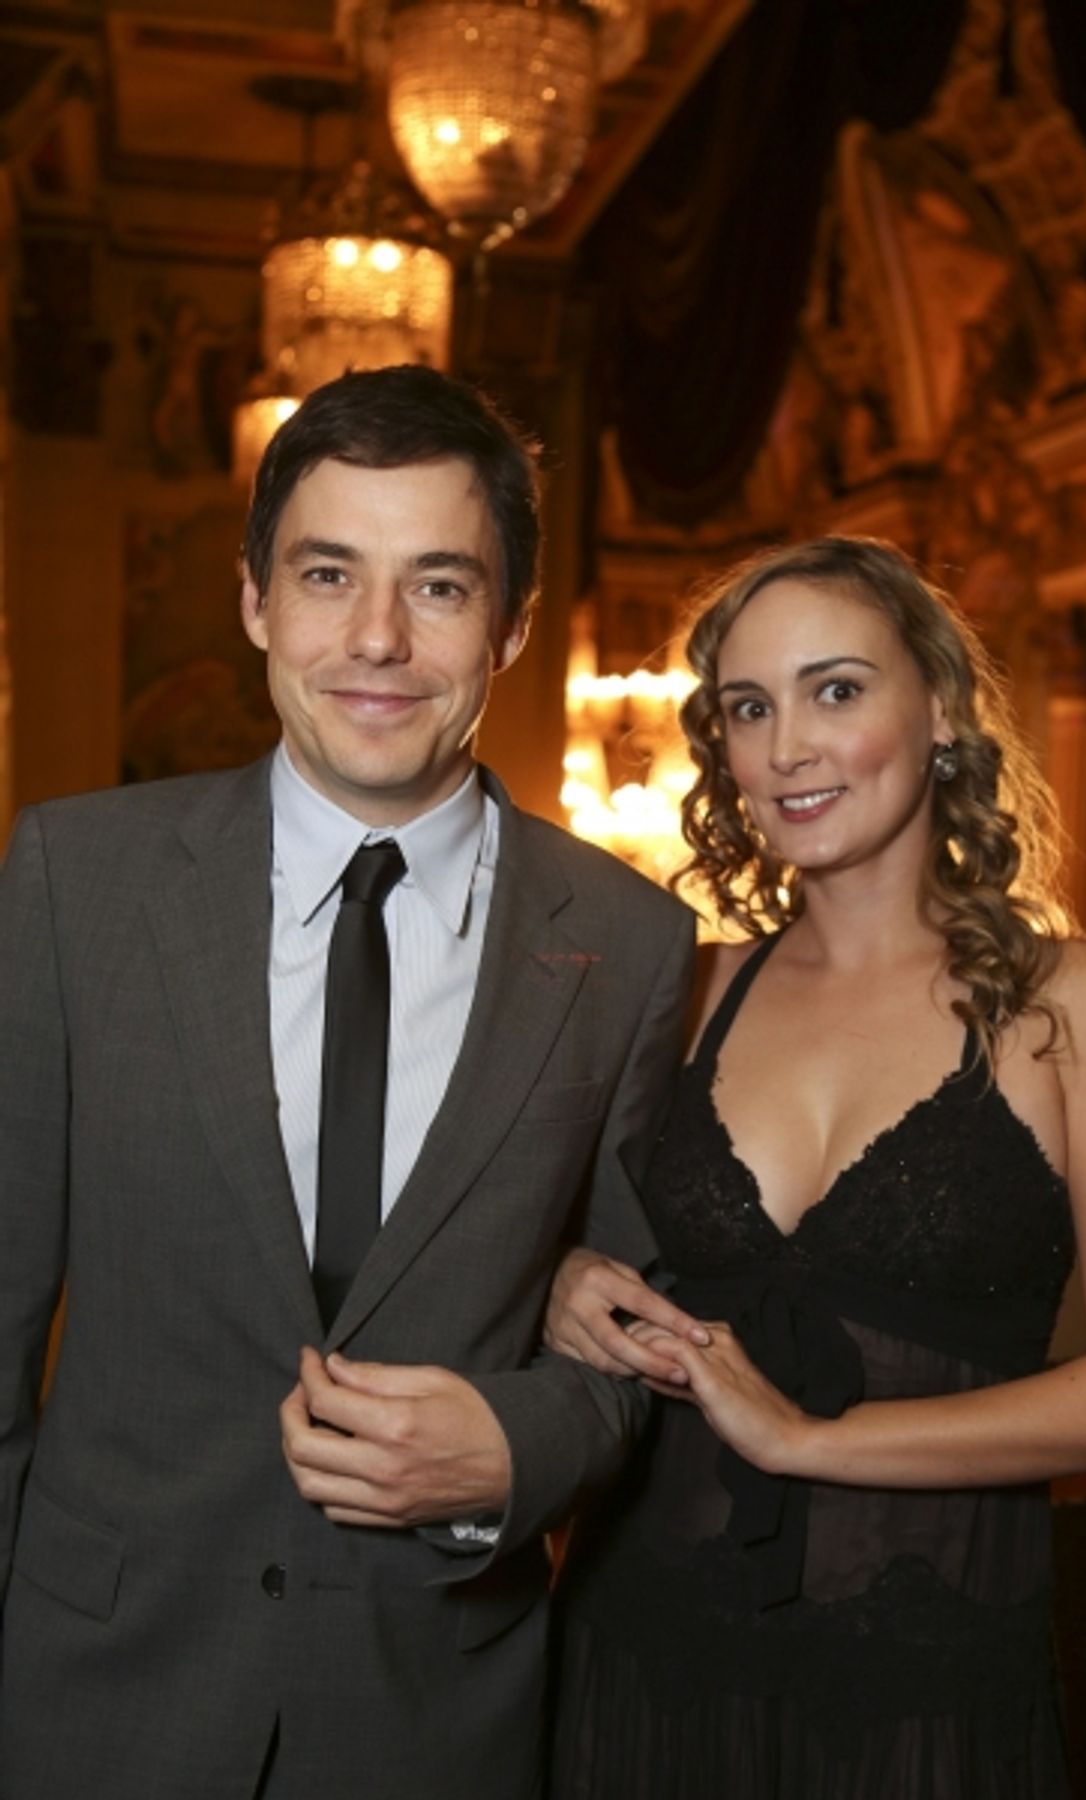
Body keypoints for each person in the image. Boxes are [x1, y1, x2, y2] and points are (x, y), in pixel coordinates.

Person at [0, 364, 694, 1800]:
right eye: (329, 574)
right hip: (94, 1703)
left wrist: (513, 1445)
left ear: (508, 626)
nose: (377, 638)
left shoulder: (628, 945)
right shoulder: (79, 880)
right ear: (256, 599)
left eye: (439, 587)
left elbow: (640, 1343)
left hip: (436, 1718)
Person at [546, 536, 1086, 1799]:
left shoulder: (1071, 1007)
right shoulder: (682, 992)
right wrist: (562, 1275)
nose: (787, 744)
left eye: (835, 690)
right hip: (638, 1652)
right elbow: (527, 1229)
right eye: (750, 706)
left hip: (925, 1687)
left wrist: (813, 1441)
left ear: (942, 711)